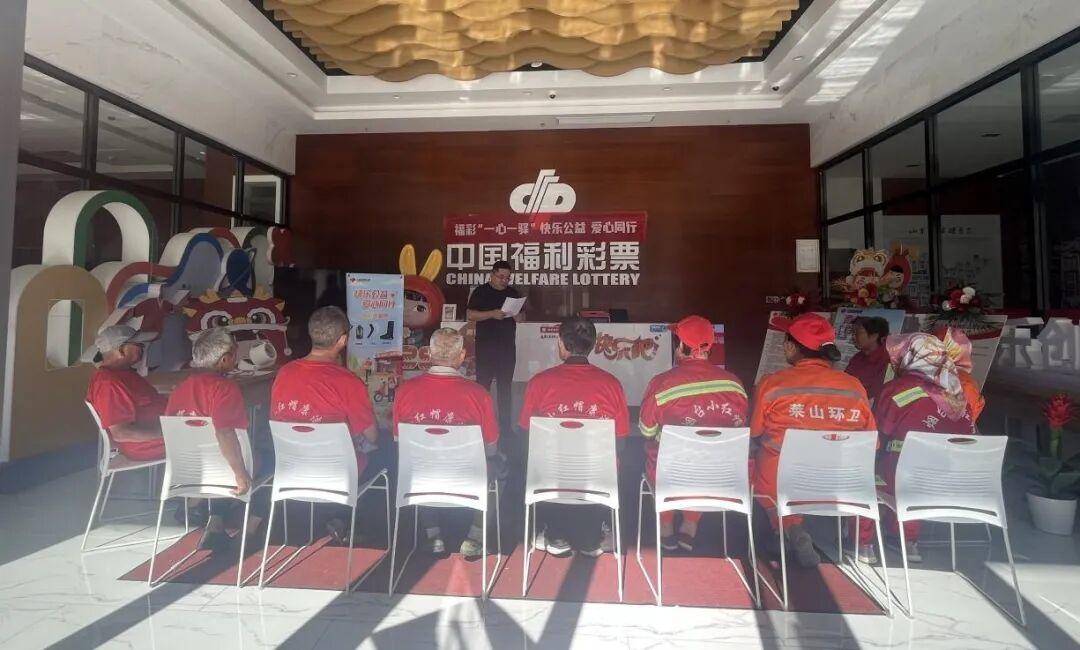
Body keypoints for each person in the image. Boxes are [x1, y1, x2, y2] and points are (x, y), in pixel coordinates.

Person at [750, 313, 875, 568]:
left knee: (754, 464)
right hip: (839, 482)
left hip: (783, 480)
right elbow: (872, 441)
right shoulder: (854, 387)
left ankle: (786, 525)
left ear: (790, 347)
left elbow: (755, 432)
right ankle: (796, 529)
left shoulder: (772, 384)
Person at [856, 332, 980, 565]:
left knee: (867, 467)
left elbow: (877, 434)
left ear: (911, 357)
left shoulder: (897, 389)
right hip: (948, 483)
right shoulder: (959, 395)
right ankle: (906, 539)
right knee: (920, 466)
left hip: (900, 479)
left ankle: (863, 543)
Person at [518, 317, 629, 557]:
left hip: (550, 476)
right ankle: (593, 537)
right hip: (597, 477)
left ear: (561, 343)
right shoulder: (612, 385)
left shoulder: (539, 383)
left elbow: (526, 435)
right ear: (593, 345)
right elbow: (620, 442)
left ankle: (555, 533)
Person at [393, 327, 507, 559]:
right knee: (502, 467)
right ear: (462, 356)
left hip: (422, 479)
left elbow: (399, 442)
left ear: (428, 353)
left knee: (418, 462)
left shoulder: (405, 392)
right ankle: (475, 536)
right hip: (467, 479)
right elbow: (491, 447)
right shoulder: (478, 394)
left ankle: (432, 534)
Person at [639, 315, 749, 552]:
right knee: (706, 456)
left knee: (657, 452)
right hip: (721, 477)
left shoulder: (662, 384)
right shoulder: (735, 385)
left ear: (680, 346)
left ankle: (666, 525)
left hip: (672, 475)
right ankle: (690, 524)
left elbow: (647, 431)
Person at [271, 306, 380, 544]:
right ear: (342, 340)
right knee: (385, 452)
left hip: (293, 467)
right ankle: (349, 521)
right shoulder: (348, 381)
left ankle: (333, 517)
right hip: (337, 470)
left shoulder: (284, 373)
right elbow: (372, 436)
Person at [166, 327, 265, 551]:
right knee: (274, 460)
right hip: (223, 470)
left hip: (191, 471)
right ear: (224, 359)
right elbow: (225, 433)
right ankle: (251, 529)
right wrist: (240, 473)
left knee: (227, 461)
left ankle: (216, 523)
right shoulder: (225, 388)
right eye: (235, 353)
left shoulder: (179, 388)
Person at [85, 325, 166, 462]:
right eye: (137, 345)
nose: (142, 348)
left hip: (161, 433)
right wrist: (168, 431)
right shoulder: (108, 383)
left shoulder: (122, 373)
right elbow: (121, 433)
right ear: (121, 350)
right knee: (203, 430)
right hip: (149, 446)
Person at [466, 261, 521, 440]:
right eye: (501, 277)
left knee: (505, 389)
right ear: (492, 275)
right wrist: (492, 314)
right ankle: (480, 426)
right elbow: (470, 314)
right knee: (483, 388)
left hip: (507, 348)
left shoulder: (512, 293)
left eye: (507, 278)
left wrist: (518, 315)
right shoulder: (481, 292)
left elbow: (522, 316)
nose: (504, 281)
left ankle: (505, 429)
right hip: (486, 348)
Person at [844, 316, 891, 401]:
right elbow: (845, 381)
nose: (853, 337)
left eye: (857, 332)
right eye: (852, 333)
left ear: (874, 336)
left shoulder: (888, 361)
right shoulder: (857, 357)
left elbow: (880, 394)